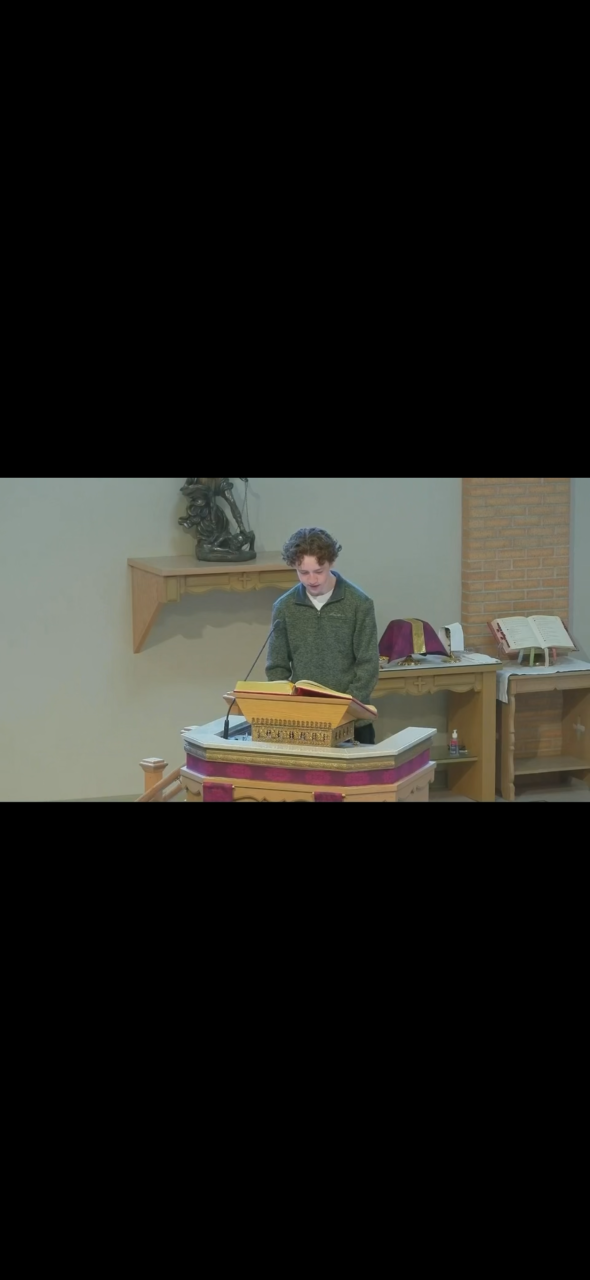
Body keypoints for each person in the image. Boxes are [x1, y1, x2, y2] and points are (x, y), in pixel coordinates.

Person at [265, 527, 380, 744]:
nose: (312, 579)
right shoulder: (284, 607)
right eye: (303, 572)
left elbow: (368, 665)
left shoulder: (359, 604)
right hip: (304, 722)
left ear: (331, 562)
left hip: (354, 723)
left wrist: (344, 709)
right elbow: (276, 668)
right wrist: (290, 707)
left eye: (319, 571)